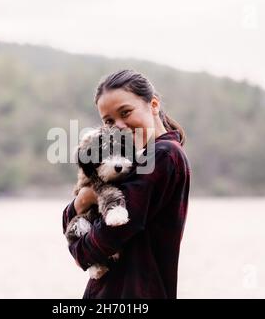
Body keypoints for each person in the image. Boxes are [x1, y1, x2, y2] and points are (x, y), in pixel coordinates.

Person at [62, 69, 191, 299]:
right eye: (109, 121)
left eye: (126, 112)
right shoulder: (133, 160)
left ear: (153, 105)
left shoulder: (162, 155)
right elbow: (71, 217)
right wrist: (84, 199)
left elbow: (114, 230)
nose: (119, 126)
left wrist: (79, 250)